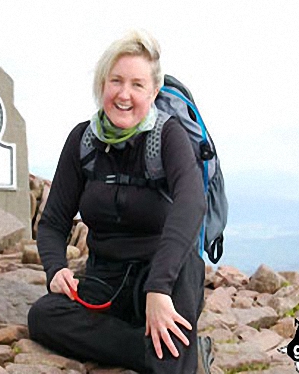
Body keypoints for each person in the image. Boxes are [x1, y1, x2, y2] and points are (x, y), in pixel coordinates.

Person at [28, 29, 209, 374]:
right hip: (105, 278)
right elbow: (53, 222)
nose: (124, 94)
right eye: (116, 81)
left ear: (153, 92)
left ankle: (167, 354)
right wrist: (55, 269)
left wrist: (159, 287)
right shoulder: (82, 140)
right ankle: (161, 352)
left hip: (166, 275)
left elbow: (191, 205)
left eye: (137, 85)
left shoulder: (168, 136)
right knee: (43, 317)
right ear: (102, 86)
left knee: (186, 268)